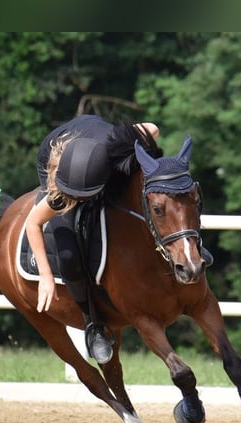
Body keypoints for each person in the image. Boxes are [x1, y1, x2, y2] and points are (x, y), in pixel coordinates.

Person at [25, 114, 159, 365]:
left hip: (96, 145)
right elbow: (33, 222)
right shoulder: (61, 185)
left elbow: (152, 128)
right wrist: (45, 276)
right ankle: (93, 324)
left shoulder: (116, 147)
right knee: (68, 254)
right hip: (56, 157)